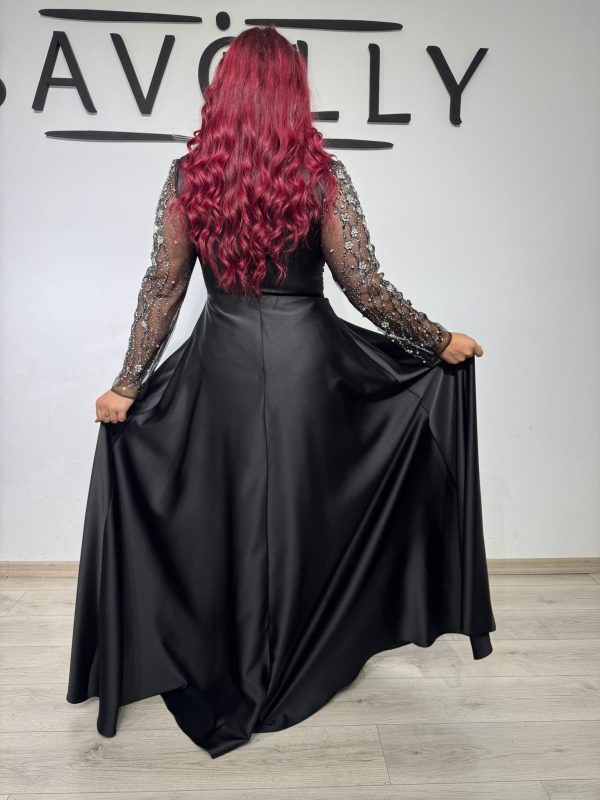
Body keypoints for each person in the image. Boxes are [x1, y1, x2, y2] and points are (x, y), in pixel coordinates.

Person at [66, 25, 496, 760]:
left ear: (223, 91)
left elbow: (164, 286)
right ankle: (301, 650)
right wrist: (437, 340)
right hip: (307, 362)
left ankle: (234, 655)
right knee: (302, 512)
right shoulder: (322, 174)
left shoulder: (191, 176)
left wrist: (127, 384)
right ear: (294, 93)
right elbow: (363, 284)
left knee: (233, 513)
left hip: (222, 361)